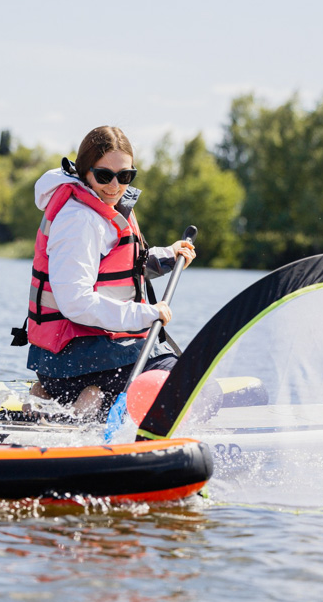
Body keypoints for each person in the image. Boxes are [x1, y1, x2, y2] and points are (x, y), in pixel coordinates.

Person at [14, 125, 195, 420]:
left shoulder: (99, 207)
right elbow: (77, 303)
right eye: (104, 176)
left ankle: (55, 395)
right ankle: (91, 400)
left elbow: (120, 267)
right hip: (84, 362)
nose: (115, 185)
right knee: (183, 379)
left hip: (66, 364)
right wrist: (147, 314)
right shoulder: (80, 221)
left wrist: (167, 257)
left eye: (125, 176)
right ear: (84, 172)